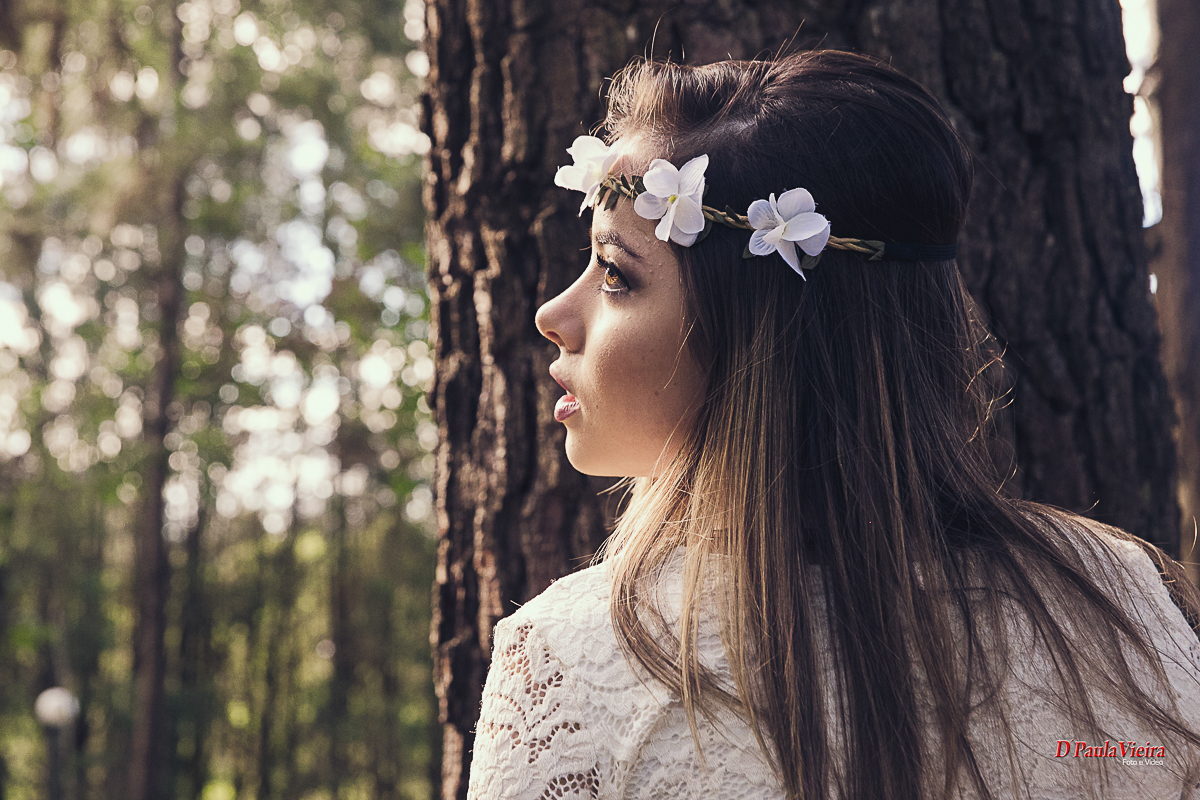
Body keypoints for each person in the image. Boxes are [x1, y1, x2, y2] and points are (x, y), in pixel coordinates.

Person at [465, 50, 1200, 799]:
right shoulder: (1126, 610)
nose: (552, 315)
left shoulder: (572, 664)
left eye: (615, 273)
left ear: (760, 327)